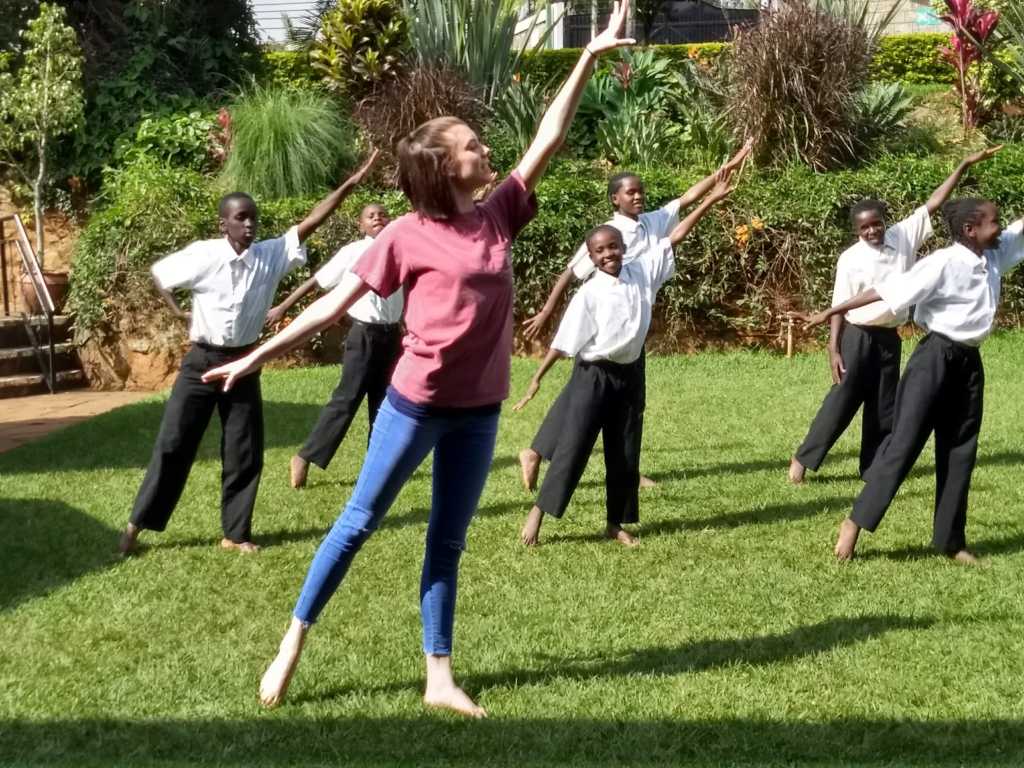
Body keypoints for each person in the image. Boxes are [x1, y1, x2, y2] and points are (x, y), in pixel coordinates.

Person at [202, 1, 637, 717]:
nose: (486, 148)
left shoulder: (496, 212)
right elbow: (334, 304)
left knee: (448, 540)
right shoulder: (404, 233)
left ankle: (439, 675)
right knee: (359, 522)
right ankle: (293, 640)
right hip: (414, 405)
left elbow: (547, 140)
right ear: (443, 164)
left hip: (480, 411)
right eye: (472, 144)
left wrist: (588, 58)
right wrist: (255, 356)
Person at [118, 151, 379, 556]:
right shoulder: (204, 254)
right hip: (201, 362)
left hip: (245, 361)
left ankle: (235, 533)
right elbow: (160, 275)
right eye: (240, 217)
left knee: (243, 448)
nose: (249, 223)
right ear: (224, 224)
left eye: (253, 217)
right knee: (174, 444)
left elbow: (312, 220)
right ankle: (137, 525)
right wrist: (177, 310)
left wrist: (349, 185)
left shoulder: (270, 255)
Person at [517, 139, 753, 492]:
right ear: (615, 199)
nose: (638, 197)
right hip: (607, 326)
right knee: (616, 402)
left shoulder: (648, 223)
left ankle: (541, 453)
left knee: (594, 398)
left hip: (632, 323)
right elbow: (571, 272)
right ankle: (578, 462)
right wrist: (548, 309)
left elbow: (686, 199)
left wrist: (731, 163)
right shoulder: (607, 236)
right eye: (631, 193)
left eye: (640, 192)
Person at [802, 195, 1024, 563]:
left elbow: (1019, 231)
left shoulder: (994, 256)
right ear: (969, 230)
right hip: (933, 359)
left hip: (969, 363)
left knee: (960, 449)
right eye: (992, 222)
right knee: (903, 444)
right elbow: (886, 292)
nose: (999, 228)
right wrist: (831, 310)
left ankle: (951, 541)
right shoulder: (943, 263)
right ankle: (855, 522)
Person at [789, 147, 1002, 484]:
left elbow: (934, 202)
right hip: (857, 336)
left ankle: (872, 467)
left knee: (884, 405)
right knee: (843, 399)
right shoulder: (851, 259)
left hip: (890, 336)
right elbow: (840, 304)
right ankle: (803, 460)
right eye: (864, 228)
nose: (872, 231)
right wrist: (834, 348)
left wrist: (962, 165)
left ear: (884, 223)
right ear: (856, 231)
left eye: (876, 224)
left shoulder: (901, 236)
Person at [266, 203, 403, 489]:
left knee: (385, 403)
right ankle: (305, 457)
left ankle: (377, 468)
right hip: (364, 336)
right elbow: (317, 281)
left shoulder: (401, 249)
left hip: (392, 337)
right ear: (361, 225)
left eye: (382, 214)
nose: (378, 218)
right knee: (347, 399)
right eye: (371, 216)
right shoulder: (353, 252)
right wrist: (283, 306)